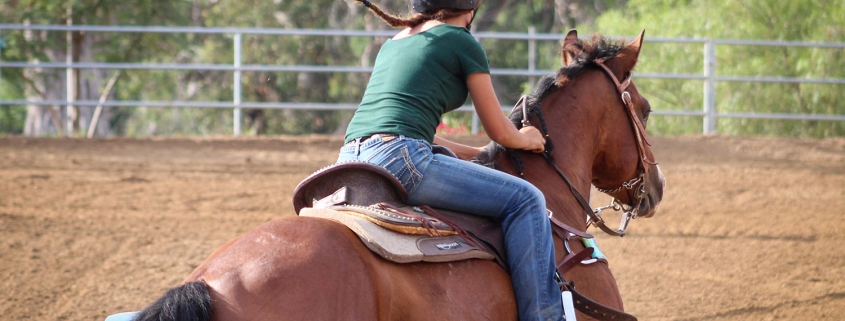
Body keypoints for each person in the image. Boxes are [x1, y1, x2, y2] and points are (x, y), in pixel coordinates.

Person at [338, 1, 563, 320]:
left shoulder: (396, 42)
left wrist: (476, 154)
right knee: (526, 199)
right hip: (401, 158)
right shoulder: (460, 40)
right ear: (469, 7)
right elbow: (501, 130)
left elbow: (407, 130)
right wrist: (528, 137)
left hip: (351, 158)